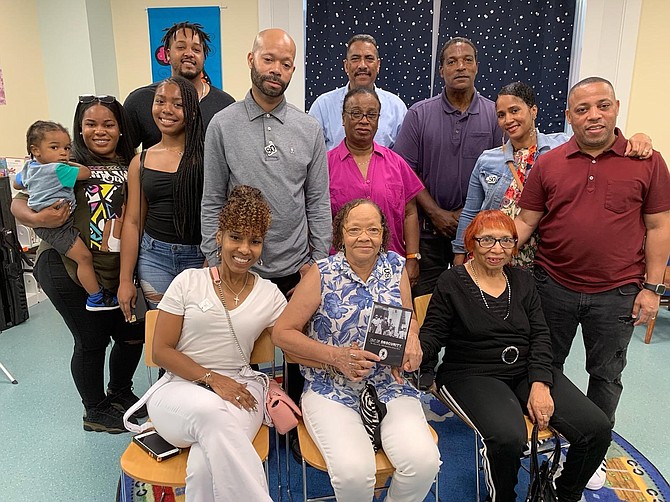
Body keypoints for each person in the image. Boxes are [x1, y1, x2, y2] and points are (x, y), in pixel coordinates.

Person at [516, 77, 670, 488]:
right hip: (553, 286)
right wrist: (487, 253)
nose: (593, 115)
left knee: (606, 375)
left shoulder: (647, 161)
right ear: (569, 116)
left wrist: (653, 289)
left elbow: (657, 226)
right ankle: (545, 437)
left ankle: (591, 450)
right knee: (545, 365)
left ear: (616, 107)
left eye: (602, 106)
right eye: (582, 109)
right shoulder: (550, 164)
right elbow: (526, 221)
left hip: (617, 293)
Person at [420, 210, 612, 502]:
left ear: (514, 244)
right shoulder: (452, 281)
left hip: (525, 369)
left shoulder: (523, 280)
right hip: (472, 372)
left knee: (597, 429)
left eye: (505, 241)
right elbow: (433, 333)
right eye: (487, 240)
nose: (497, 249)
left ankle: (564, 494)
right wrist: (420, 360)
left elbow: (540, 335)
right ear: (472, 243)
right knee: (509, 439)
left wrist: (540, 382)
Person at [124, 186, 286, 501]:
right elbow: (161, 351)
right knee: (211, 413)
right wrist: (213, 380)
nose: (244, 249)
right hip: (178, 388)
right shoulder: (188, 282)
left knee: (203, 466)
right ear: (219, 237)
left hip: (242, 389)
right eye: (236, 237)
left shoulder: (270, 294)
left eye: (254, 241)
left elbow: (294, 338)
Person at [273, 199, 441, 502]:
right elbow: (281, 334)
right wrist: (336, 357)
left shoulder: (395, 266)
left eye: (373, 230)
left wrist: (412, 337)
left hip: (389, 384)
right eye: (354, 230)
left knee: (424, 463)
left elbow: (408, 315)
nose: (364, 237)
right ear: (341, 236)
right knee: (354, 474)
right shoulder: (322, 273)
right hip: (330, 389)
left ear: (383, 235)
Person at [11, 95, 144, 433]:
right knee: (91, 340)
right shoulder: (65, 162)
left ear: (121, 129)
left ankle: (119, 392)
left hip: (115, 269)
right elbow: (19, 202)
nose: (100, 130)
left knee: (132, 334)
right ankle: (95, 410)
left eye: (108, 124)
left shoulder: (133, 163)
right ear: (80, 130)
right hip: (65, 266)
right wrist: (38, 217)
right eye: (90, 124)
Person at [452, 81, 653, 267]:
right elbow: (471, 212)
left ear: (533, 111)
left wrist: (640, 137)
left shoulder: (563, 147)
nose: (508, 120)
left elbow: (599, 139)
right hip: (495, 256)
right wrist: (460, 253)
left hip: (546, 262)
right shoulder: (487, 159)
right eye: (501, 115)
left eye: (515, 111)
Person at [394, 37, 502, 298]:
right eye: (452, 61)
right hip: (427, 236)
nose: (460, 67)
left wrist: (467, 215)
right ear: (441, 70)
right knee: (424, 310)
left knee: (471, 311)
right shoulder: (419, 114)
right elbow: (404, 172)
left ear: (477, 66)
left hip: (479, 237)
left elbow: (503, 172)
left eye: (467, 60)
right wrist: (435, 213)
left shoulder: (496, 115)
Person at [118, 75, 205, 319]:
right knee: (164, 335)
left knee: (199, 334)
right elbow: (133, 222)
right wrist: (125, 280)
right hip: (154, 257)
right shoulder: (140, 161)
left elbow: (218, 214)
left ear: (192, 111)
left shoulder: (208, 157)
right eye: (160, 101)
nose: (167, 110)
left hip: (199, 258)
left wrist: (213, 259)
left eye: (178, 104)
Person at [16, 120, 120, 311]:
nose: (63, 153)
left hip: (48, 223)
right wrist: (68, 163)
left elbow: (17, 184)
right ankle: (96, 297)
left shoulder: (29, 167)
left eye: (66, 148)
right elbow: (85, 172)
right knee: (84, 258)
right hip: (58, 227)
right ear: (36, 150)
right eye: (55, 147)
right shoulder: (59, 169)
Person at [328, 87, 423, 283]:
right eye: (356, 113)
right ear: (343, 118)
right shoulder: (325, 165)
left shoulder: (396, 163)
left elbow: (410, 212)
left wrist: (412, 258)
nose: (364, 120)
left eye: (371, 114)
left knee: (394, 315)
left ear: (378, 119)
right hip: (339, 270)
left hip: (391, 268)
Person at [124, 21, 235, 149]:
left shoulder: (225, 105)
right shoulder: (139, 101)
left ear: (204, 57)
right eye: (181, 47)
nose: (189, 53)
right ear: (167, 54)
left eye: (196, 49)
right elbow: (123, 156)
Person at [309, 33, 407, 150]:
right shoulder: (323, 106)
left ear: (378, 65)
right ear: (346, 66)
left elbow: (402, 159)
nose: (362, 65)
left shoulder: (397, 107)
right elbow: (310, 153)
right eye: (355, 59)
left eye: (369, 59)